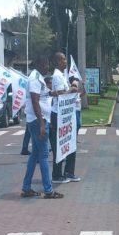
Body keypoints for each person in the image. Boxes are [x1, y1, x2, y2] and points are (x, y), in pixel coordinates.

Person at [21, 57, 63, 199]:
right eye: (45, 64)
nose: (47, 67)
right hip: (38, 121)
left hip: (39, 120)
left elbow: (44, 94)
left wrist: (56, 93)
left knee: (34, 155)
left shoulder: (39, 78)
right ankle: (48, 190)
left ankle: (26, 188)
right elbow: (35, 101)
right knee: (44, 156)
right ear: (39, 64)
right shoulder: (34, 79)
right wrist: (42, 124)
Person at [50, 52, 70, 183]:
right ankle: (56, 175)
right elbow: (59, 93)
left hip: (63, 114)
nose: (66, 61)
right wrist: (71, 92)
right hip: (57, 113)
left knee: (62, 143)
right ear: (58, 61)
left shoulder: (62, 75)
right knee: (58, 145)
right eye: (63, 60)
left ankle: (59, 173)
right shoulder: (57, 76)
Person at [62, 76, 82, 182]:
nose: (76, 86)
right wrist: (72, 88)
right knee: (68, 147)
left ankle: (68, 172)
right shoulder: (69, 93)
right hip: (68, 121)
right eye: (75, 84)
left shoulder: (73, 93)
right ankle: (66, 172)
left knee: (71, 147)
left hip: (71, 119)